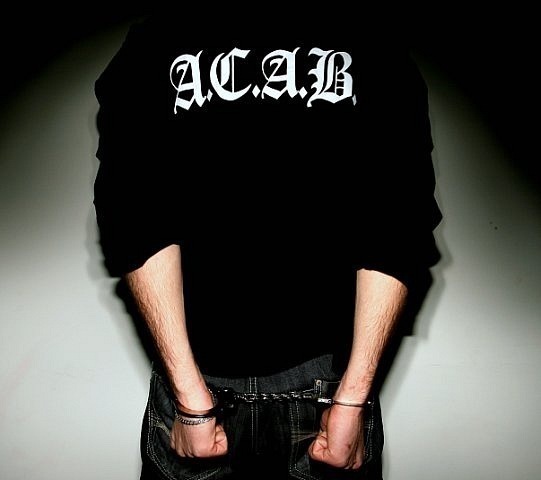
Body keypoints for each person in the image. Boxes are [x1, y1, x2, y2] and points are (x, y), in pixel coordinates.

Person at [93, 7, 442, 480]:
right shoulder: (156, 43)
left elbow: (397, 218)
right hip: (231, 384)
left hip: (309, 387)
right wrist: (191, 397)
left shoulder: (372, 42)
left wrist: (351, 398)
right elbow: (134, 213)